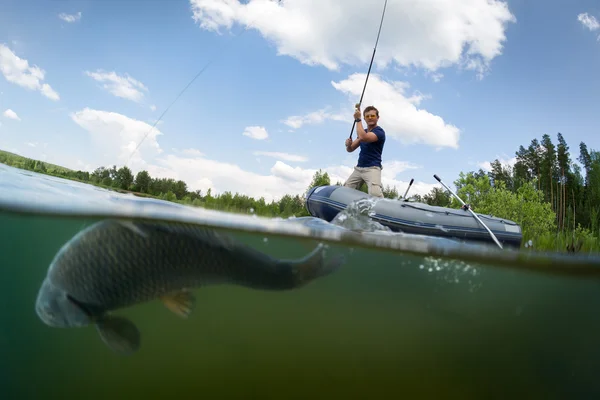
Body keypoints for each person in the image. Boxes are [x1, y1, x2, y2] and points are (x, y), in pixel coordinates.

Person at [343, 104, 386, 197]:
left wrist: (358, 120)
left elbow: (363, 137)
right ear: (365, 118)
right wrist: (348, 144)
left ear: (378, 118)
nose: (370, 118)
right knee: (344, 191)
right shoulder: (363, 131)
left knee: (375, 194)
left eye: (373, 116)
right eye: (367, 116)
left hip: (373, 168)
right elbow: (350, 149)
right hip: (359, 169)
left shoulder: (379, 132)